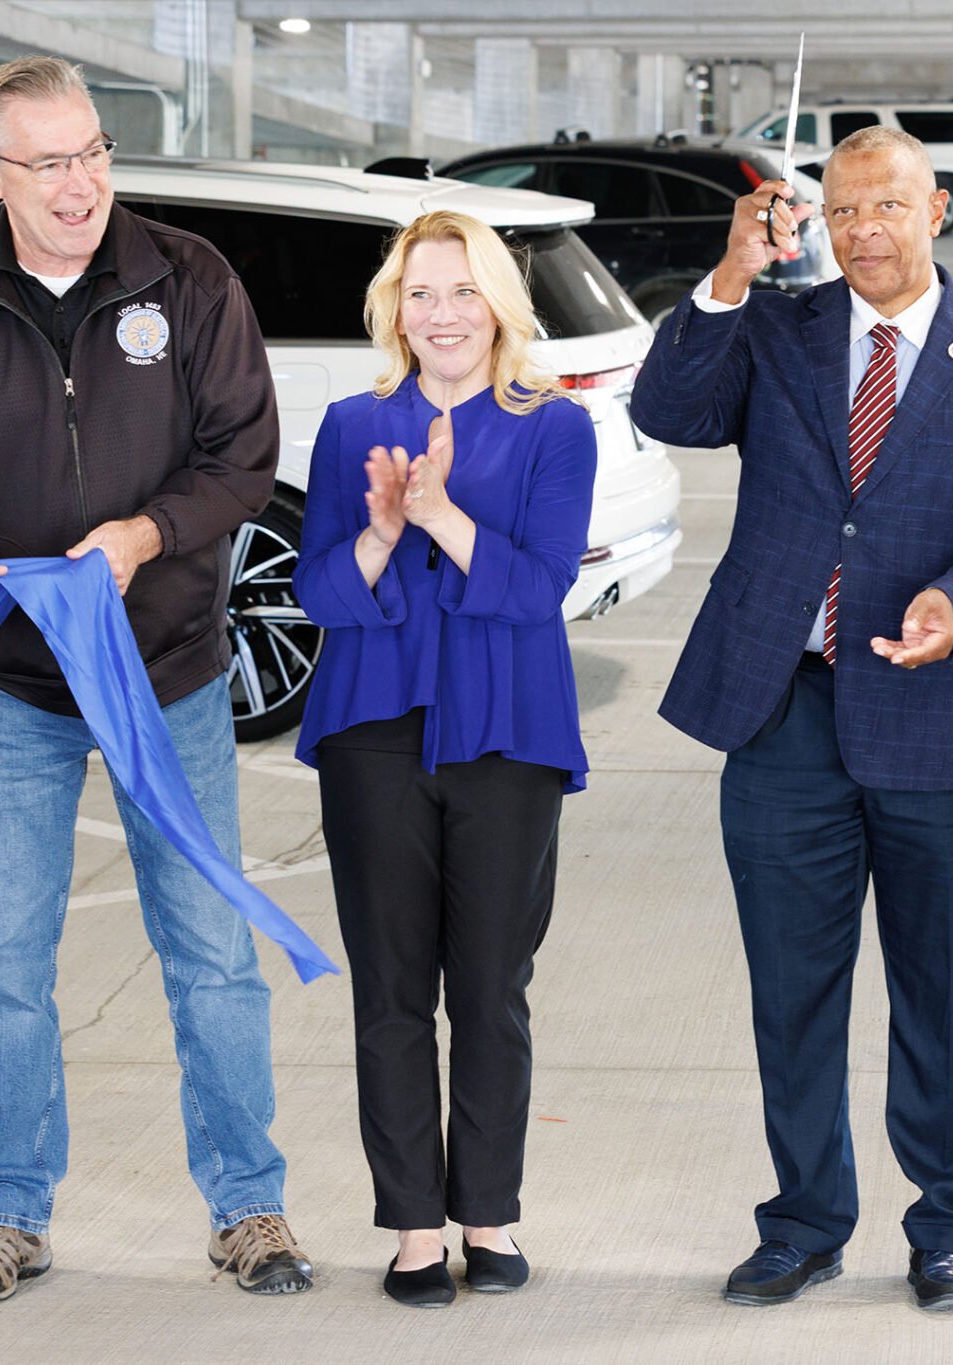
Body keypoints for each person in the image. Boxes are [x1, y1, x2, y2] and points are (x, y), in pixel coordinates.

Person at [0, 55, 309, 1304]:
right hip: (10, 687)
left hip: (168, 672)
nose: (80, 184)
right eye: (47, 162)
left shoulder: (188, 278)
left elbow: (242, 454)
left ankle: (248, 1205)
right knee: (3, 963)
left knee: (209, 946)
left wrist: (147, 536)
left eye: (93, 152)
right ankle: (10, 1212)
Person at [630, 125, 953, 1314]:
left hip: (934, 714)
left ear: (936, 210)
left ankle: (947, 1231)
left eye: (885, 208)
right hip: (783, 711)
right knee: (793, 990)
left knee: (942, 995)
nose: (862, 232)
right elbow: (668, 411)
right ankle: (806, 1221)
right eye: (841, 212)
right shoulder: (774, 329)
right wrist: (726, 276)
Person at [291, 209, 595, 1308]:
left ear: (499, 304)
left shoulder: (554, 429)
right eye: (420, 293)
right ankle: (416, 1225)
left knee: (490, 988)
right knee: (389, 991)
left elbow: (536, 591)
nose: (442, 314)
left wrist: (442, 516)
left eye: (462, 291)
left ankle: (490, 1215)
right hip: (374, 731)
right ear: (394, 309)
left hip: (508, 733)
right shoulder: (346, 424)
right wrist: (380, 531)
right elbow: (322, 594)